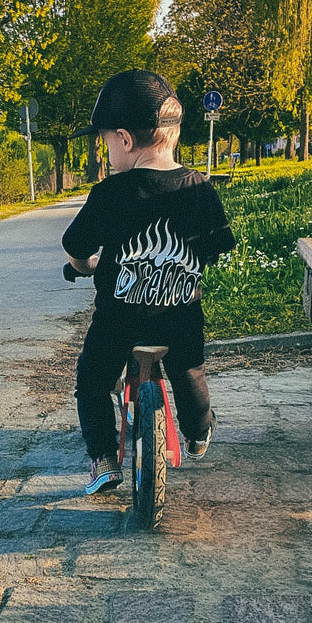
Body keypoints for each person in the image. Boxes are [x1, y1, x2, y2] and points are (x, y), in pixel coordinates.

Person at [62, 69, 236, 494]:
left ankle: (103, 457)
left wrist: (85, 266)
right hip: (180, 319)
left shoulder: (109, 193)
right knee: (190, 370)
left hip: (118, 322)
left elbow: (76, 248)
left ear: (123, 139)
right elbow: (215, 249)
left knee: (92, 380)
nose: (107, 153)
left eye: (105, 142)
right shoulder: (199, 188)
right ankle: (197, 432)